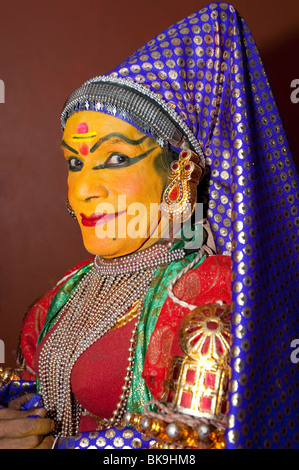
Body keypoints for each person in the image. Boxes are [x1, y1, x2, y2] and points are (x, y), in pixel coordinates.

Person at [0, 2, 298, 449]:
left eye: (115, 159)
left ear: (181, 172)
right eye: (75, 162)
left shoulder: (211, 293)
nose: (83, 190)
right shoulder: (61, 298)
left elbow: (195, 445)